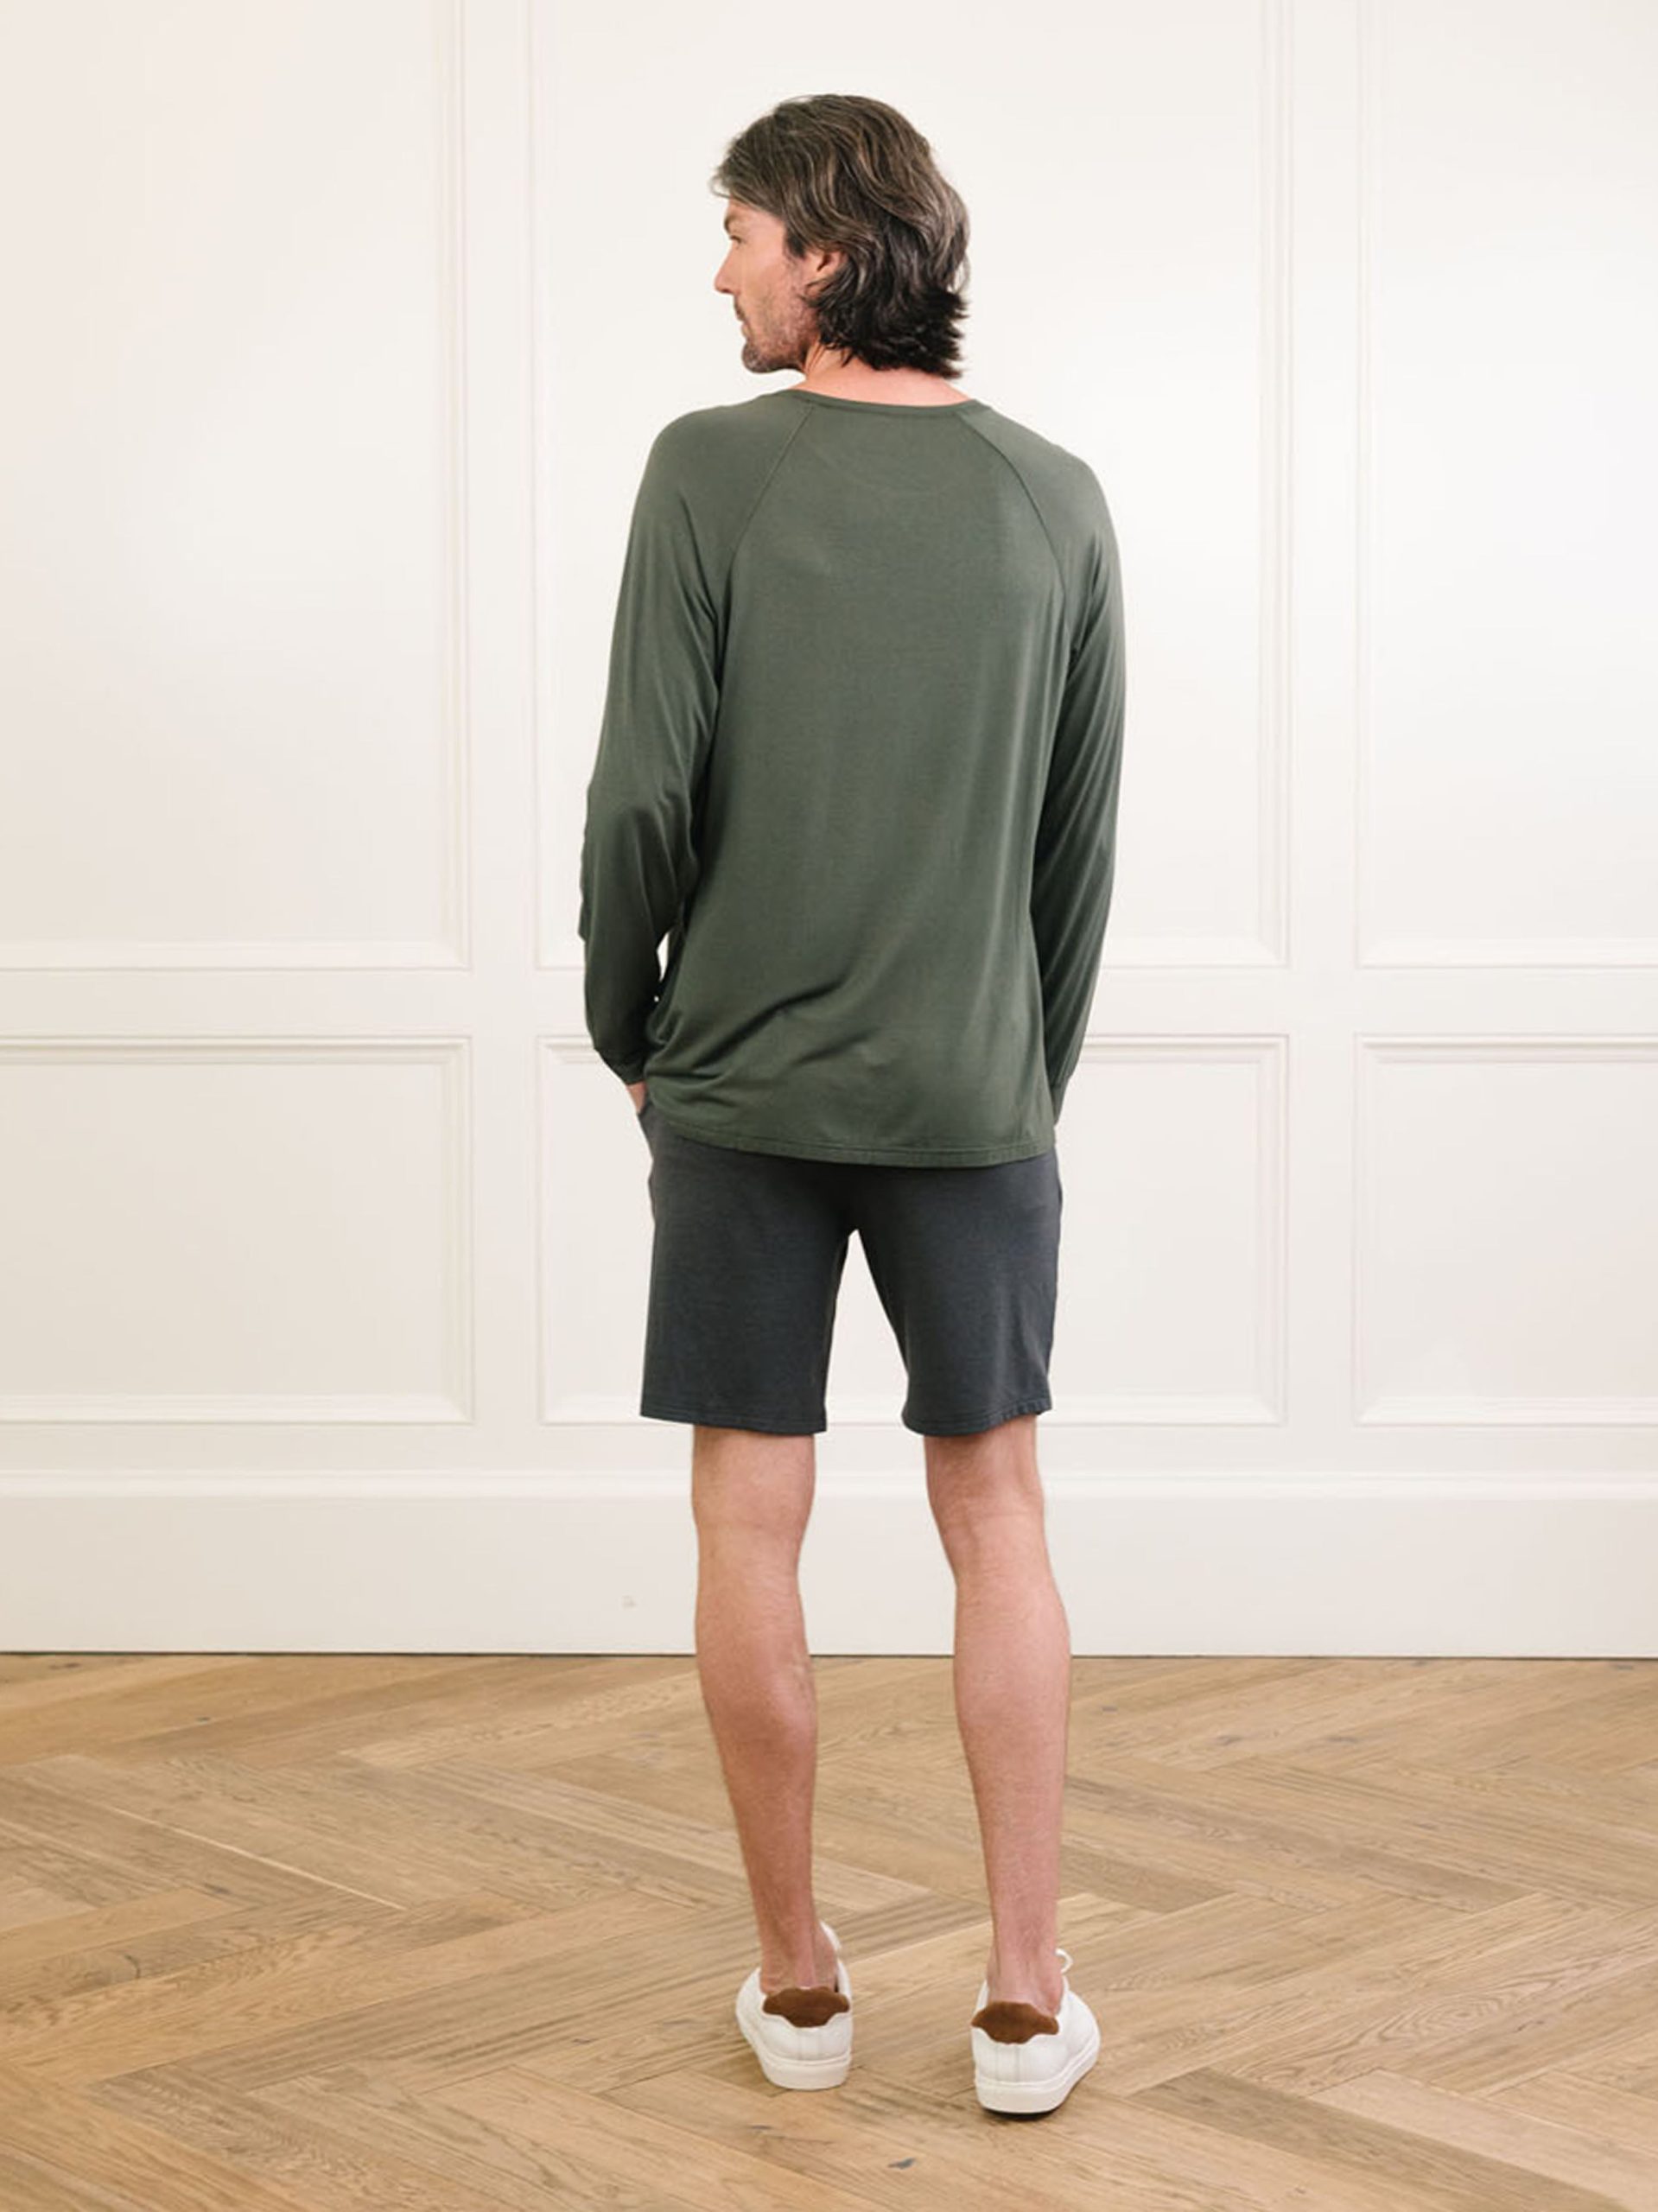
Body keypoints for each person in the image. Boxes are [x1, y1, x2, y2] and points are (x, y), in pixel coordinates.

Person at [578, 93, 1125, 2116]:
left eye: (738, 231)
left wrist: (628, 1019)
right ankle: (1022, 1996)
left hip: (737, 1082)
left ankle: (801, 1986)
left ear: (822, 247)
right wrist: (1017, 1071)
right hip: (974, 1090)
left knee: (750, 1510)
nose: (719, 269)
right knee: (1000, 1512)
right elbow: (1078, 844)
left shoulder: (709, 473)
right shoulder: (1054, 497)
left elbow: (641, 795)